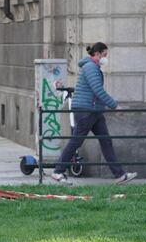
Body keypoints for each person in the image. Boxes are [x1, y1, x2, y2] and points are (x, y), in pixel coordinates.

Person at [51, 42, 138, 185]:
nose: (105, 59)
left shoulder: (92, 67)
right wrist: (115, 106)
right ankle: (58, 171)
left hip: (94, 110)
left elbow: (95, 92)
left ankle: (120, 175)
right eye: (104, 55)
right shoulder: (91, 67)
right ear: (97, 54)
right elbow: (97, 90)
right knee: (76, 141)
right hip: (87, 110)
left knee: (105, 141)